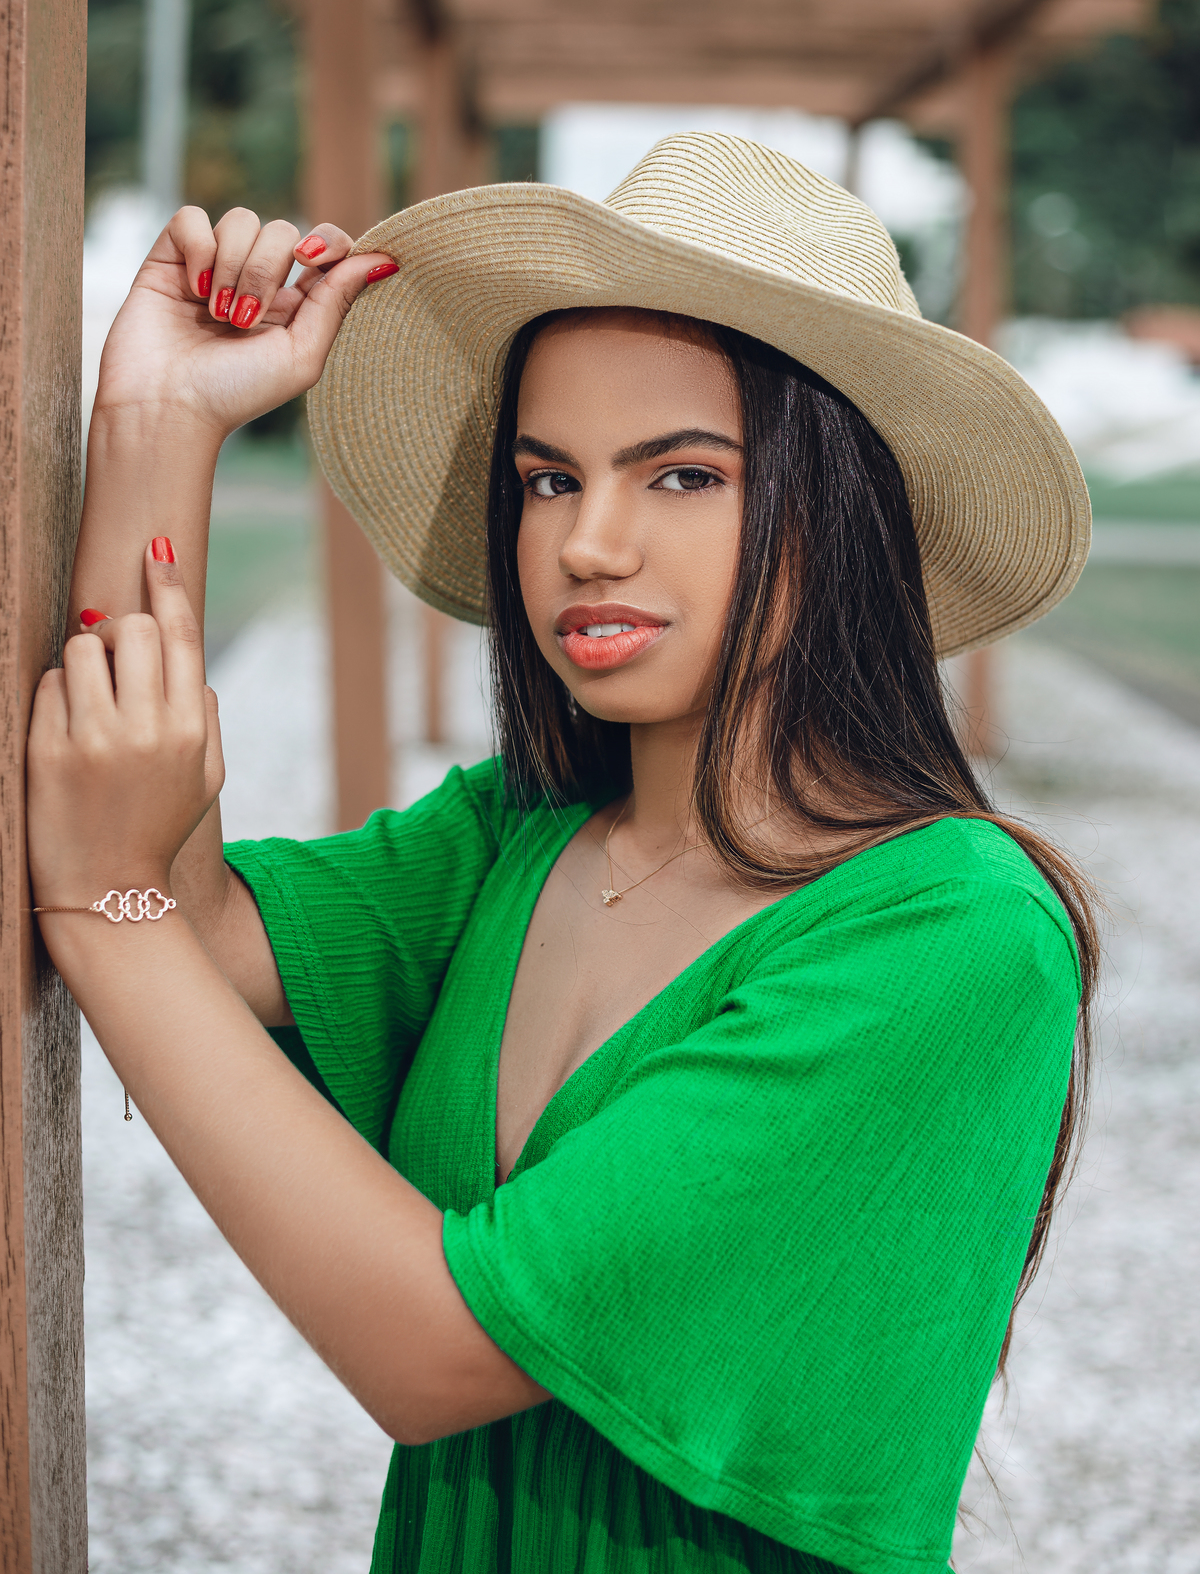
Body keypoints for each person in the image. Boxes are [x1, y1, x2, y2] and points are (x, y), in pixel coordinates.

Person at [28, 133, 1099, 1574]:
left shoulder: (949, 937)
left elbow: (434, 1347)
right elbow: (203, 924)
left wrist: (105, 915)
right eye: (547, 481)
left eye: (681, 477)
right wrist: (159, 423)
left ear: (838, 508)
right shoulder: (517, 837)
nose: (587, 544)